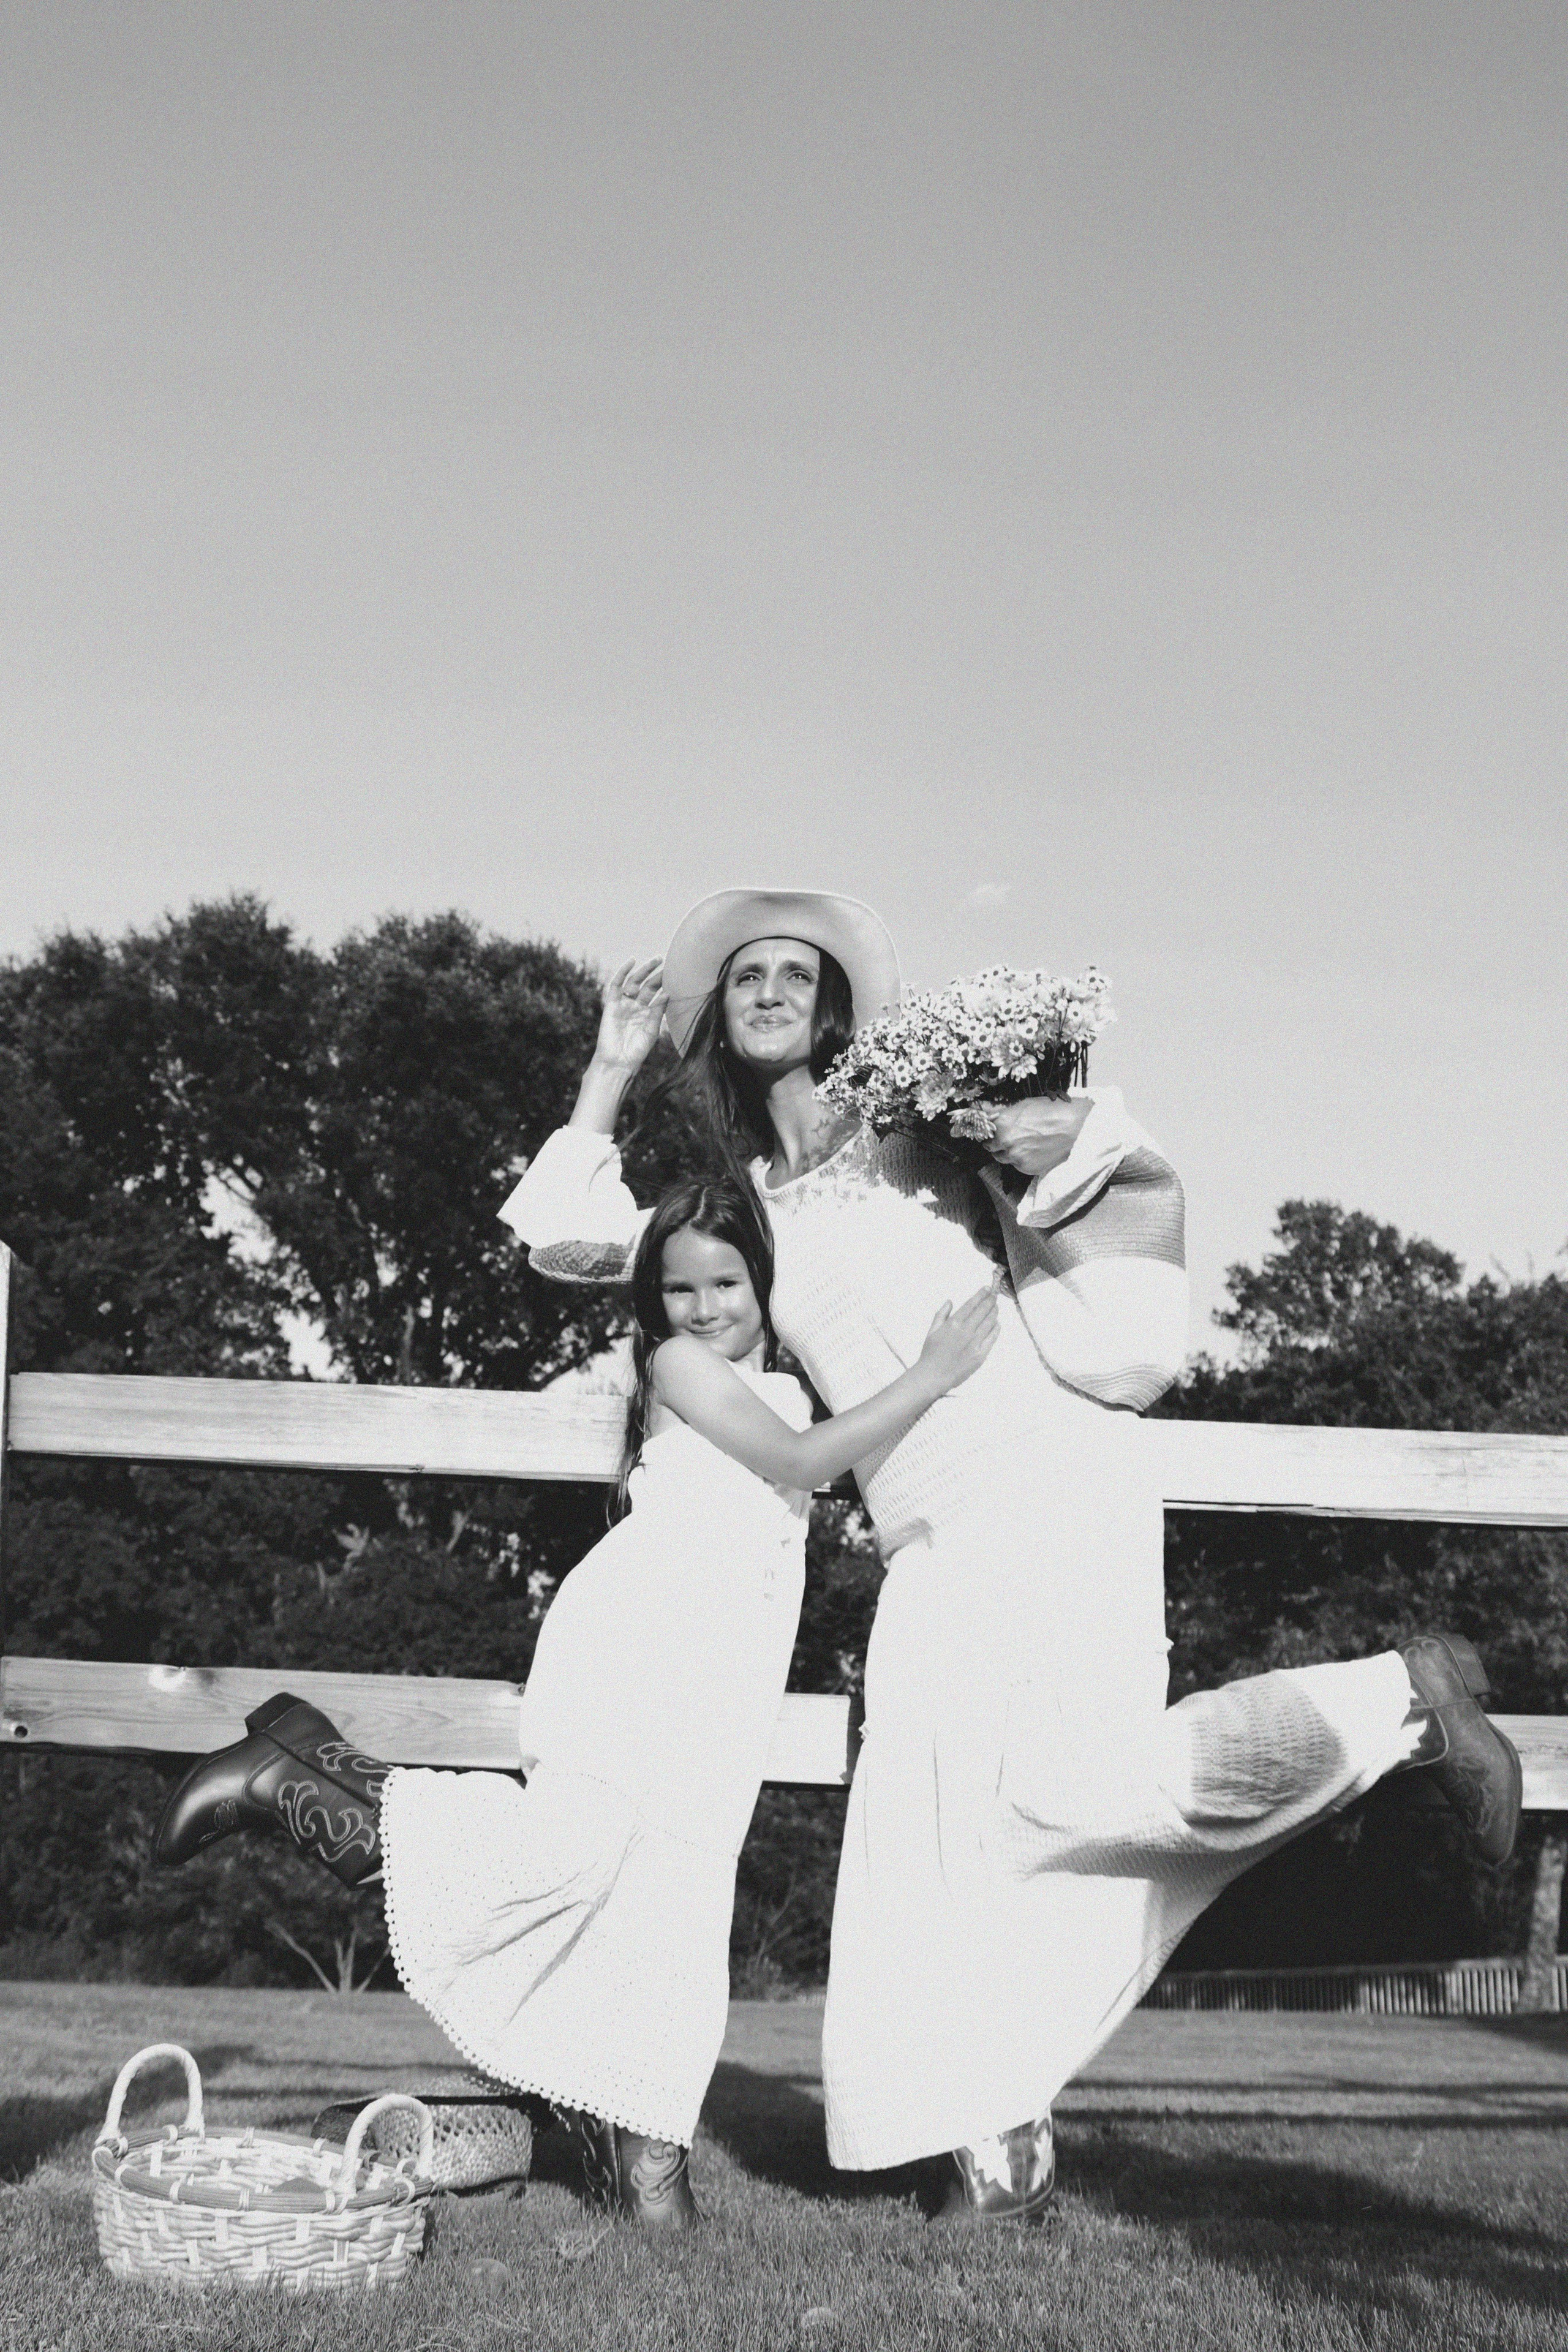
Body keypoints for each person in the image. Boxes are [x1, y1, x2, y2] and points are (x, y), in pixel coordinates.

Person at [503, 886, 1522, 2223]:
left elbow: (1093, 1174)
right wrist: (606, 1072)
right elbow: (578, 1251)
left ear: (831, 1006)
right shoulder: (739, 1203)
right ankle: (993, 2152)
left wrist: (1009, 1110)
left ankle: (1399, 1695)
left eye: (791, 973)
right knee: (927, 1836)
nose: (764, 991)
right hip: (924, 1519)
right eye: (742, 974)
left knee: (1069, 1790)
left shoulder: (919, 1129)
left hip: (1043, 1469)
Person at [153, 1174, 998, 2230]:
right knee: (574, 1851)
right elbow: (795, 1459)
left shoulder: (774, 1372)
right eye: (679, 1289)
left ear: (762, 1282)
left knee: (672, 1901)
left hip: (718, 1674)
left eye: (726, 1282)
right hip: (645, 1642)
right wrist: (932, 1373)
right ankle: (295, 1785)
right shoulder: (684, 1366)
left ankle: (644, 2154)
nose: (704, 1307)